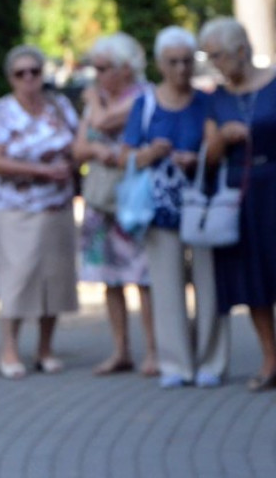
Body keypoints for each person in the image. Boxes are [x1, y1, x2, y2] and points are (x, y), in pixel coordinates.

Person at [123, 26, 228, 388]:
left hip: (202, 205)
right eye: (173, 62)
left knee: (209, 285)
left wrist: (199, 158)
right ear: (160, 64)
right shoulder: (146, 103)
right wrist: (151, 153)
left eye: (186, 61)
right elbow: (126, 155)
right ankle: (175, 364)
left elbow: (218, 149)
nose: (181, 69)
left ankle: (211, 360)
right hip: (160, 208)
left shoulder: (206, 102)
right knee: (167, 287)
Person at [0, 45, 79, 379]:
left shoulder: (59, 106)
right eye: (20, 73)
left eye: (34, 71)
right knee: (19, 277)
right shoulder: (0, 111)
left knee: (54, 278)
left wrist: (69, 164)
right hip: (15, 208)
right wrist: (40, 170)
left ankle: (45, 348)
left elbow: (77, 146)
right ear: (10, 78)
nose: (28, 79)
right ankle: (8, 349)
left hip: (57, 205)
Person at [73, 32, 157, 376]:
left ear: (125, 68)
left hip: (132, 199)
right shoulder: (99, 98)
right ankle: (121, 350)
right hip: (100, 198)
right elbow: (79, 148)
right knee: (109, 277)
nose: (97, 76)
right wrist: (97, 150)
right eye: (94, 68)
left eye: (103, 68)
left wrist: (93, 102)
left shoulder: (142, 95)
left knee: (143, 276)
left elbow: (102, 122)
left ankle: (154, 351)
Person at [200, 17, 276, 391]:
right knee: (254, 278)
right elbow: (209, 157)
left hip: (273, 186)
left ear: (241, 51)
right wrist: (222, 138)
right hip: (240, 196)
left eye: (217, 55)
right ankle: (270, 359)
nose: (213, 63)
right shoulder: (217, 98)